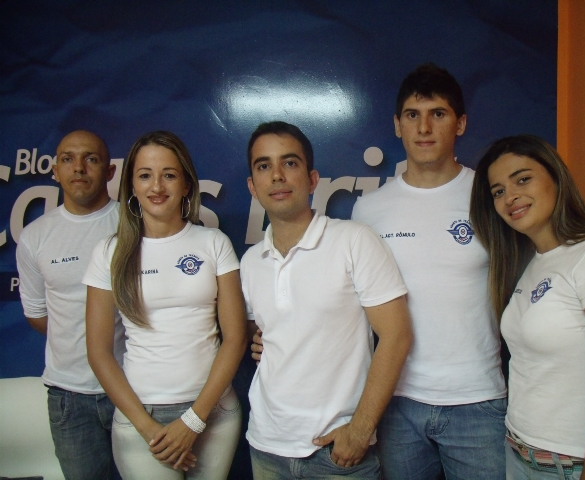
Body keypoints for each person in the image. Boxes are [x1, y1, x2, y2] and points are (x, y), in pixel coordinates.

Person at [350, 63, 507, 479]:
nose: (424, 127)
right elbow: (352, 303)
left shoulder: (489, 197)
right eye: (412, 115)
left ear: (461, 124)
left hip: (478, 401)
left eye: (438, 113)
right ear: (397, 125)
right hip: (397, 402)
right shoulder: (369, 209)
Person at [242, 121, 412, 479]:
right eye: (264, 166)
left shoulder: (354, 240)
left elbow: (397, 336)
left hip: (335, 452)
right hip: (266, 446)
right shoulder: (250, 262)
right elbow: (270, 333)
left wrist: (360, 430)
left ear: (313, 179)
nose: (277, 175)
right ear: (252, 186)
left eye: (290, 163)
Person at [469, 134, 585, 480]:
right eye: (498, 191)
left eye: (522, 179)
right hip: (520, 457)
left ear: (556, 179)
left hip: (575, 467)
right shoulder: (531, 263)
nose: (510, 197)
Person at [83, 130, 246, 479]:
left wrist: (194, 420)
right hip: (141, 417)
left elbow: (235, 339)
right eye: (145, 175)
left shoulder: (214, 243)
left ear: (186, 184)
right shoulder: (109, 252)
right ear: (132, 185)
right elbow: (98, 352)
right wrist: (147, 428)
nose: (157, 186)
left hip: (214, 412)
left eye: (169, 175)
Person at [16, 129, 124, 480]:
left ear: (110, 171)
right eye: (68, 159)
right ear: (55, 170)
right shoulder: (35, 236)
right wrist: (80, 336)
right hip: (69, 398)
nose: (79, 167)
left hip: (134, 388)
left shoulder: (135, 225)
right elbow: (38, 315)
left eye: (91, 159)